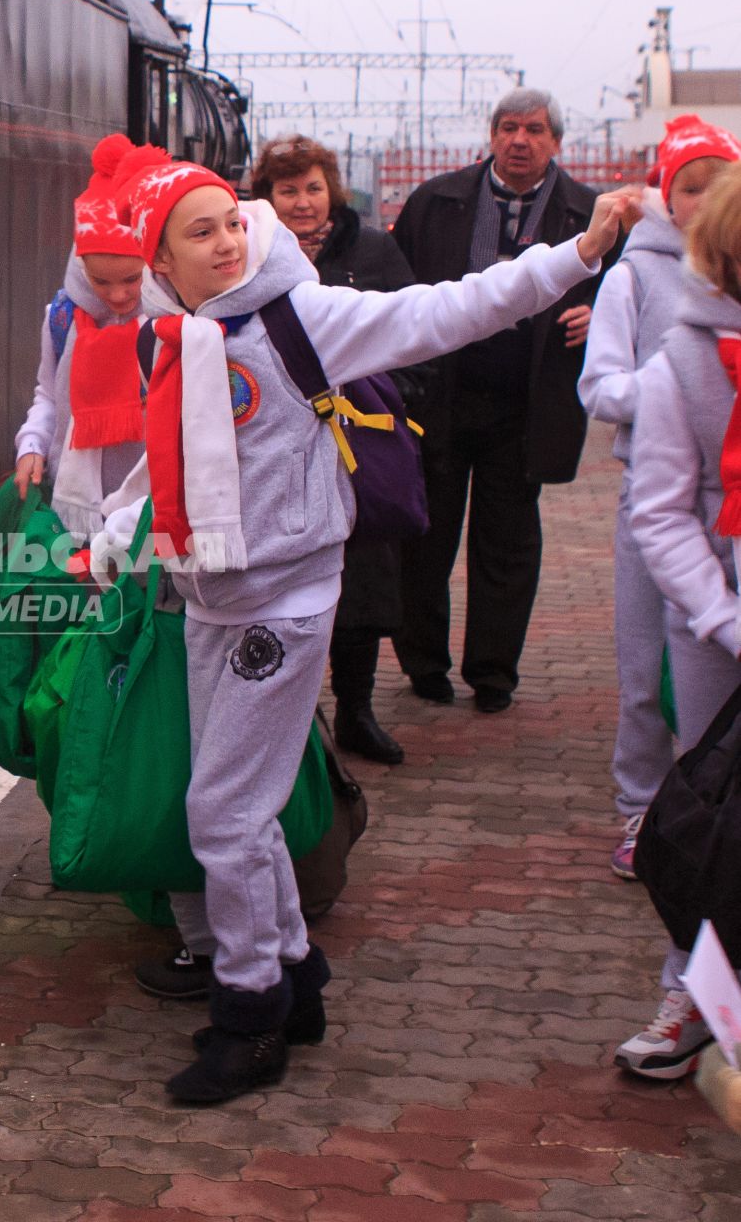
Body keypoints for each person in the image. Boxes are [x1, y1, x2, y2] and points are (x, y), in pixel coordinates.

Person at [99, 147, 635, 1103]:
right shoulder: (173, 339)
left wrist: (573, 254)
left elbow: (447, 308)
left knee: (222, 816)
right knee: (240, 812)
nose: (227, 241)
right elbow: (168, 457)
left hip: (283, 603)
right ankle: (294, 980)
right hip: (207, 603)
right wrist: (111, 531)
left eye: (231, 220)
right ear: (160, 265)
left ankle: (249, 1015)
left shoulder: (301, 317)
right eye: (199, 232)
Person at [391, 88, 615, 714]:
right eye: (509, 127)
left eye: (536, 129)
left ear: (556, 142)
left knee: (508, 540)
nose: (521, 140)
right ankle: (424, 664)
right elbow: (395, 286)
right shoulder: (435, 201)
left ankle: (494, 673)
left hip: (526, 402)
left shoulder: (588, 211)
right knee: (425, 535)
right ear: (491, 136)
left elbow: (628, 290)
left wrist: (597, 314)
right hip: (440, 397)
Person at [580, 115, 741, 878]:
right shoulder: (632, 277)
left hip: (730, 509)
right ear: (665, 196)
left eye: (720, 188)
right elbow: (600, 388)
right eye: (689, 187)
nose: (704, 202)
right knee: (645, 670)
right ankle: (642, 806)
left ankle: (716, 817)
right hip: (659, 500)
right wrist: (680, 382)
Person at [251, 134, 431, 766]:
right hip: (279, 451)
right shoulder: (248, 257)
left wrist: (383, 396)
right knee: (287, 583)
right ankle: (296, 720)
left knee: (365, 586)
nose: (302, 203)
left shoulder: (374, 250)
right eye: (287, 190)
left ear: (333, 190)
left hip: (359, 447)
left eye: (312, 188)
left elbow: (412, 341)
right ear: (266, 198)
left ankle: (356, 709)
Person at [622, 161, 741, 1081]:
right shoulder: (683, 362)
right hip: (715, 633)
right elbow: (658, 510)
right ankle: (695, 995)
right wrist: (720, 616)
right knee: (716, 819)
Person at [12, 134, 151, 539]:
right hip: (74, 507)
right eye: (99, 281)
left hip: (147, 509)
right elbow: (49, 395)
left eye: (132, 279)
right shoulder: (62, 317)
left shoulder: (172, 324)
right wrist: (32, 445)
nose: (118, 295)